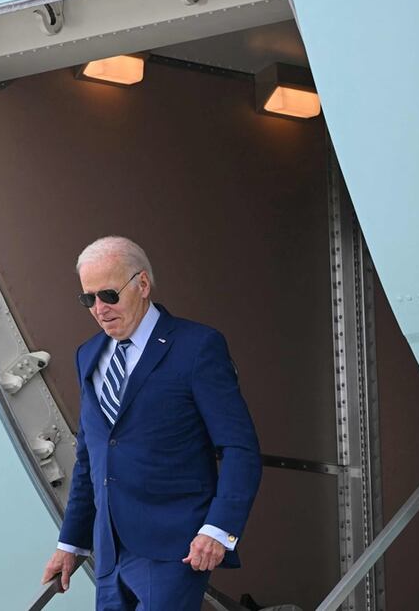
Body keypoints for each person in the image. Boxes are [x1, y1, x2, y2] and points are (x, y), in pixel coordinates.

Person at [41, 236, 261, 610]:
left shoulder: (197, 347)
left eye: (109, 295)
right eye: (88, 299)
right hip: (110, 551)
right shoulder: (88, 354)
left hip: (175, 547)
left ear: (142, 284)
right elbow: (91, 457)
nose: (100, 309)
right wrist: (71, 543)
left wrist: (219, 530)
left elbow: (240, 448)